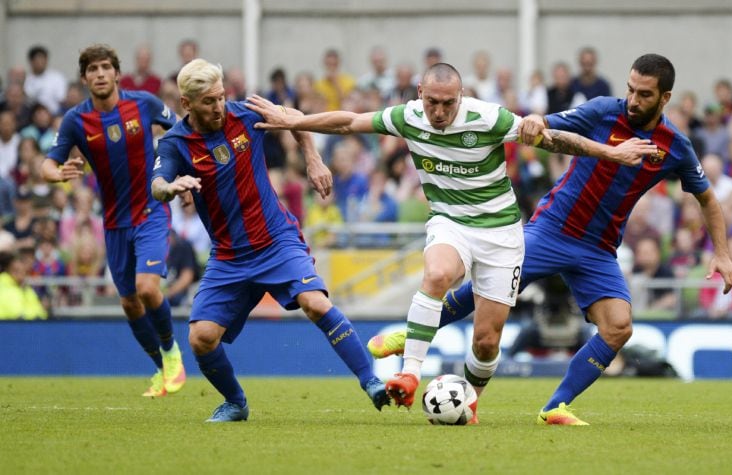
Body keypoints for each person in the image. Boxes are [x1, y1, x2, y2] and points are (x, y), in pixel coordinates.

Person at [245, 62, 657, 421]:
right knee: (438, 273)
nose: (439, 112)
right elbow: (348, 121)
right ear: (420, 93)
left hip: (500, 233)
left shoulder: (489, 118)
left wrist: (612, 153)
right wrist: (292, 120)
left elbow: (556, 140)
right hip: (450, 222)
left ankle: (469, 402)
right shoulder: (408, 117)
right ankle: (409, 372)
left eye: (448, 103)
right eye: (432, 103)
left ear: (461, 96)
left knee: (486, 339)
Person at [366, 54, 732, 425]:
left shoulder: (675, 145)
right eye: (630, 89)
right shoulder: (603, 111)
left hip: (600, 249)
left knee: (619, 327)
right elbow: (544, 125)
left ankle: (556, 406)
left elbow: (706, 197)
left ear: (665, 98)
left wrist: (722, 253)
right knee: (497, 286)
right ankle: (410, 333)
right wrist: (532, 120)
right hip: (554, 228)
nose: (633, 99)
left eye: (644, 94)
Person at [150, 58, 389, 422]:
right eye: (208, 102)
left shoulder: (246, 113)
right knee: (201, 338)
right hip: (229, 257)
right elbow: (157, 184)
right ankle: (235, 402)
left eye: (220, 97)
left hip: (276, 240)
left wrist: (312, 158)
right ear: (187, 104)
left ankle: (371, 381)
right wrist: (171, 187)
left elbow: (292, 118)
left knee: (315, 303)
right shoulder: (176, 143)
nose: (218, 107)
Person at [40, 44, 186, 398]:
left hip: (151, 211)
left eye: (106, 67)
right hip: (115, 222)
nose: (100, 74)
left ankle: (172, 356)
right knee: (129, 302)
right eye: (93, 69)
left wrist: (181, 175)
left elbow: (183, 132)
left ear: (117, 73)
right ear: (85, 77)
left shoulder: (145, 104)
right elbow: (46, 165)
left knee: (148, 288)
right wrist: (59, 174)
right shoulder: (76, 120)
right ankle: (162, 369)